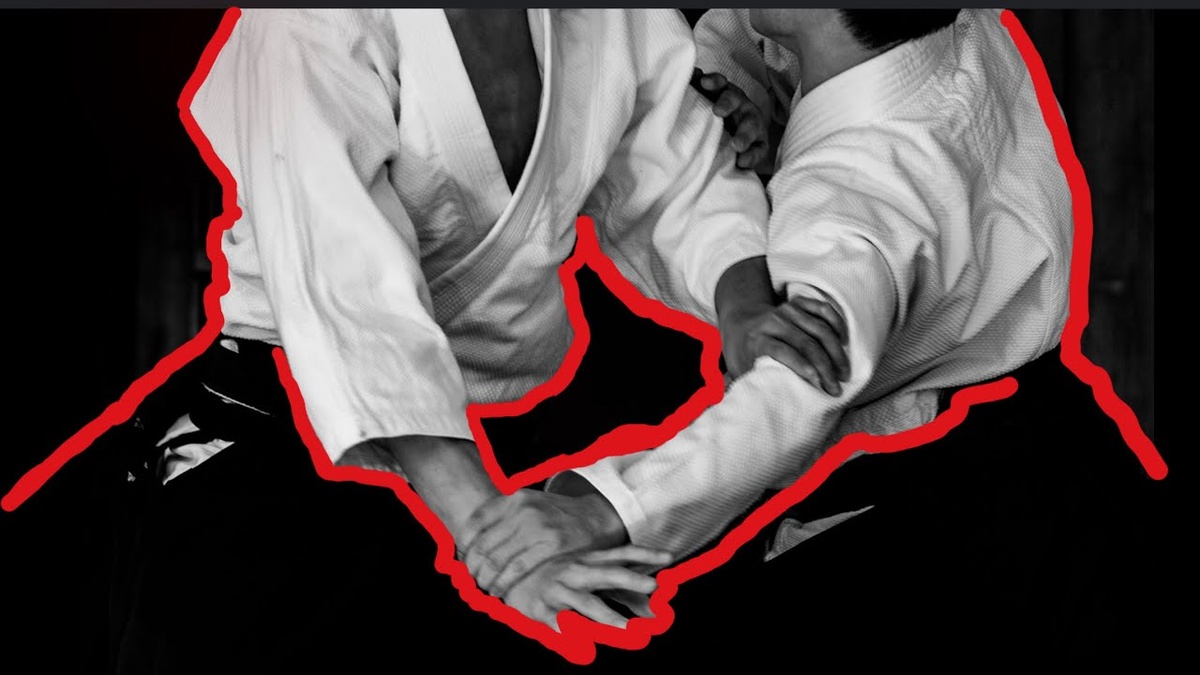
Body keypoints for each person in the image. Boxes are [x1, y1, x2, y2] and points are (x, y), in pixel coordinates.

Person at [90, 7, 858, 672]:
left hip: (507, 444)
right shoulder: (304, 22)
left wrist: (743, 304)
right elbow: (351, 292)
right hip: (298, 440)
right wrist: (490, 535)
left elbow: (675, 161)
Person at [466, 9, 1164, 667]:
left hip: (974, 535)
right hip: (1070, 461)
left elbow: (793, 388)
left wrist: (609, 510)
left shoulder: (854, 201)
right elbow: (768, 37)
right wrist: (731, 102)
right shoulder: (961, 29)